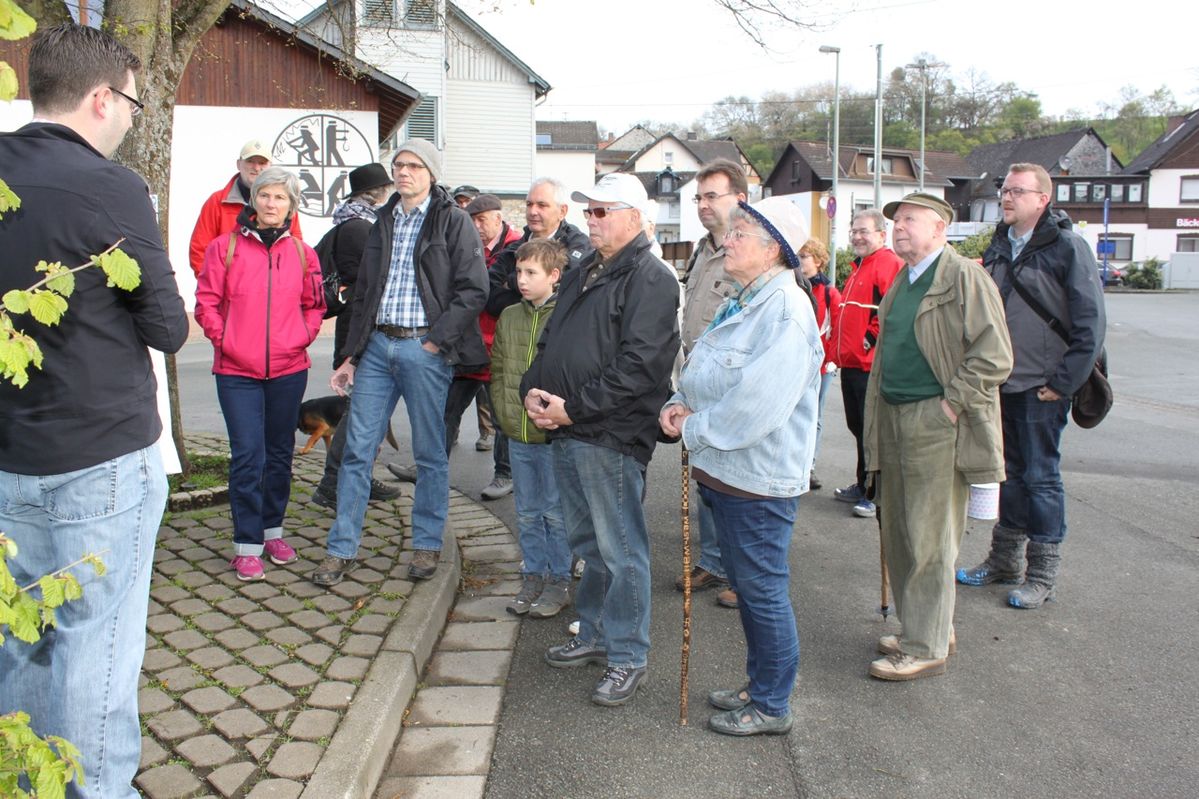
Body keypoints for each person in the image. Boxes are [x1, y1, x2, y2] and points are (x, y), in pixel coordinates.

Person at [0, 23, 189, 799]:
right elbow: (168, 326)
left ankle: (25, 782)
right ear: (103, 99)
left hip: (8, 452)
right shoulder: (110, 186)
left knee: (19, 631)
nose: (129, 122)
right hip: (98, 455)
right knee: (94, 645)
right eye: (134, 106)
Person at [661, 197, 822, 736]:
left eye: (740, 234)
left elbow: (754, 409)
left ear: (773, 249)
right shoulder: (746, 298)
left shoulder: (786, 312)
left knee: (762, 592)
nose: (726, 241)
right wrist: (680, 402)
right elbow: (706, 370)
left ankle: (772, 704)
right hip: (728, 473)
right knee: (753, 591)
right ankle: (761, 686)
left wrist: (691, 427)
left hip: (758, 480)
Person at [522, 173, 680, 707]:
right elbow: (550, 341)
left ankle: (628, 655)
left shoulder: (652, 279)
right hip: (570, 428)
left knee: (621, 550)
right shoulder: (583, 268)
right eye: (588, 211)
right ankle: (592, 634)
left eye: (602, 211)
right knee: (589, 545)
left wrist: (573, 409)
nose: (590, 220)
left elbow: (640, 366)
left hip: (610, 436)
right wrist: (532, 391)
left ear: (634, 217)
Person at [311, 140, 488, 586]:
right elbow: (366, 292)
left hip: (423, 349)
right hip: (377, 347)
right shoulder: (384, 220)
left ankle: (427, 545)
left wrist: (437, 342)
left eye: (414, 166)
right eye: (399, 165)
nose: (404, 172)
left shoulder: (452, 220)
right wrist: (351, 355)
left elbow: (473, 289)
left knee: (429, 453)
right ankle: (341, 549)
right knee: (356, 451)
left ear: (431, 173)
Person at [863, 192, 1012, 681]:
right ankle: (926, 626)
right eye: (896, 220)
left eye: (910, 219)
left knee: (930, 536)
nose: (899, 227)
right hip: (894, 416)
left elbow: (994, 355)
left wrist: (951, 404)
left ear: (940, 228)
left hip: (935, 420)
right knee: (901, 532)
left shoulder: (964, 276)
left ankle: (924, 647)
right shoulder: (904, 279)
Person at [957, 163, 1106, 608]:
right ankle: (1005, 561)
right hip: (1002, 382)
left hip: (1043, 385)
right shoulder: (1000, 244)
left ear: (1043, 199)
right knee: (1011, 475)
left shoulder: (1067, 247)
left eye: (1017, 191)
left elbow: (1091, 323)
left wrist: (1063, 383)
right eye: (1004, 190)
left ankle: (1042, 575)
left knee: (1041, 478)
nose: (1007, 197)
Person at [195, 167, 326, 580]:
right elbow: (206, 303)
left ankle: (273, 532)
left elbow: (315, 305)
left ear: (291, 206)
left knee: (279, 455)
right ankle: (247, 544)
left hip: (288, 370)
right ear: (254, 200)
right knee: (248, 456)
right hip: (236, 372)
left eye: (280, 197)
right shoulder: (224, 247)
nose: (272, 203)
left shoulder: (304, 254)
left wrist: (301, 337)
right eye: (265, 195)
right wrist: (225, 340)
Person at [673, 159, 748, 609]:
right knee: (705, 479)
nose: (703, 205)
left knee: (736, 485)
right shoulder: (702, 249)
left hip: (732, 386)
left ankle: (743, 574)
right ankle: (715, 560)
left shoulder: (753, 251)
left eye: (711, 196)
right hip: (699, 380)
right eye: (698, 197)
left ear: (740, 198)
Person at [309, 163, 402, 510]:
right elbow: (377, 281)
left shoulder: (350, 222)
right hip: (361, 329)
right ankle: (333, 483)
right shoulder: (361, 228)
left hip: (356, 326)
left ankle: (354, 478)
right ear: (379, 192)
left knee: (367, 412)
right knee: (359, 413)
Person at [491, 239, 571, 617]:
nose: (521, 280)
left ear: (554, 276)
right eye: (518, 272)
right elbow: (498, 368)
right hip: (517, 434)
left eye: (531, 273)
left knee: (555, 511)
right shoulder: (509, 316)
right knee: (526, 511)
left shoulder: (567, 317)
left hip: (552, 435)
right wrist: (503, 411)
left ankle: (560, 579)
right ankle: (533, 574)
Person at [445, 194, 520, 499]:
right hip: (470, 345)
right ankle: (429, 465)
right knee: (447, 409)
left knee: (502, 417)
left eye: (482, 219)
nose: (476, 226)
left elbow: (500, 295)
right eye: (472, 220)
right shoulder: (470, 246)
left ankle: (504, 474)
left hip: (501, 346)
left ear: (498, 218)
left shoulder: (516, 246)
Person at [833, 209, 903, 519]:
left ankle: (875, 493)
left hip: (869, 365)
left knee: (872, 432)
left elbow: (892, 309)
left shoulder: (887, 264)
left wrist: (869, 339)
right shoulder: (859, 267)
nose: (857, 236)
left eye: (864, 231)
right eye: (854, 231)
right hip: (852, 364)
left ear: (881, 235)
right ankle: (864, 484)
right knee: (859, 428)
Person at [188, 138, 303, 276]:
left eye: (262, 163)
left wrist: (281, 283)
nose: (256, 167)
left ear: (270, 166)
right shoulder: (217, 201)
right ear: (238, 164)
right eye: (250, 161)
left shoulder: (283, 204)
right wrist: (216, 284)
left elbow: (296, 249)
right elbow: (199, 250)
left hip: (275, 286)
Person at [483, 177, 592, 318]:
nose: (533, 211)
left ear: (562, 211)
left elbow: (570, 289)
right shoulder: (513, 249)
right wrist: (532, 300)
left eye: (542, 205)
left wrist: (511, 282)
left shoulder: (578, 244)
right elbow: (490, 296)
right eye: (529, 204)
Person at [798, 238, 843, 490]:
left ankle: (809, 466)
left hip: (821, 366)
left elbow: (837, 328)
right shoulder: (795, 287)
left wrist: (831, 361)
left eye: (804, 256)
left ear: (818, 261)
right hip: (796, 363)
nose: (800, 260)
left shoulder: (829, 292)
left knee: (814, 415)